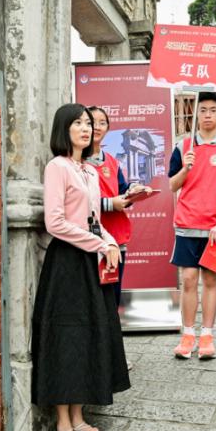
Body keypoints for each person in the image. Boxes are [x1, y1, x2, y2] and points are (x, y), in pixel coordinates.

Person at [31, 104, 130, 431]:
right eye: (78, 123)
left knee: (89, 336)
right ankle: (62, 426)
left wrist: (110, 241)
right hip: (68, 264)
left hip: (92, 262)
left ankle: (79, 417)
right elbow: (55, 223)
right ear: (64, 128)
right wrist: (99, 243)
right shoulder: (57, 167)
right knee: (67, 339)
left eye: (88, 123)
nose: (85, 128)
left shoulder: (88, 170)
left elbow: (93, 218)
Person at [168, 91, 216, 360]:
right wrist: (185, 169)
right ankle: (188, 334)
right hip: (187, 223)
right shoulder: (182, 146)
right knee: (188, 280)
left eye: (213, 110)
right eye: (203, 110)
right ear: (195, 113)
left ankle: (207, 336)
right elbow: (171, 185)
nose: (208, 115)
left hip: (215, 227)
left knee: (210, 280)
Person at [87, 106, 149, 306]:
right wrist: (109, 204)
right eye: (91, 122)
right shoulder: (74, 161)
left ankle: (110, 337)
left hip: (116, 237)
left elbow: (121, 190)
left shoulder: (112, 162)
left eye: (102, 123)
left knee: (112, 296)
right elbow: (77, 202)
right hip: (89, 240)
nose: (97, 127)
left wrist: (133, 191)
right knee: (92, 300)